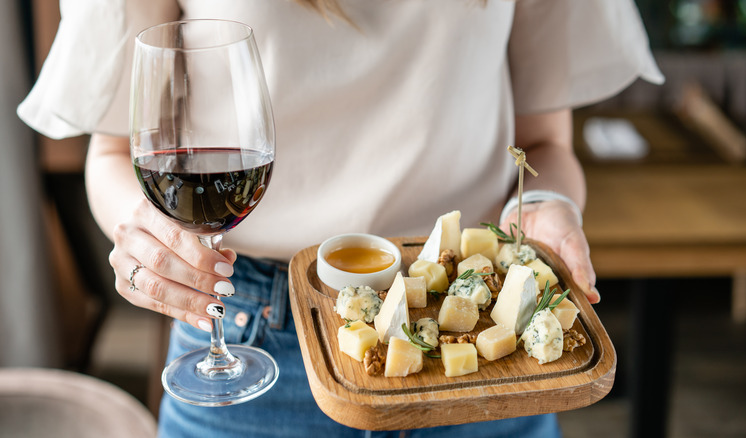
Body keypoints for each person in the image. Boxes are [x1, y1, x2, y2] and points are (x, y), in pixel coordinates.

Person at [19, 0, 663, 436]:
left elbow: (543, 145)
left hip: (485, 350)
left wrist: (547, 211)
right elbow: (111, 152)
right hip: (251, 345)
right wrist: (143, 233)